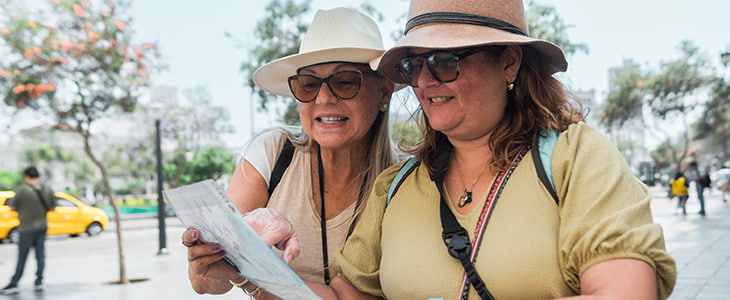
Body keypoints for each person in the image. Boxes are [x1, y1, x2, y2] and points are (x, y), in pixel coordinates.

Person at [304, 0, 677, 299]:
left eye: (445, 61)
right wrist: (256, 269)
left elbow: (626, 290)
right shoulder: (395, 186)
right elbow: (345, 294)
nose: (424, 80)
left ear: (509, 62)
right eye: (413, 64)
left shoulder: (575, 157)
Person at [181, 7, 399, 298]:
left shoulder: (404, 182)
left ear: (384, 92)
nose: (323, 98)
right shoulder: (273, 153)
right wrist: (207, 263)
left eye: (345, 81)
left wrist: (255, 274)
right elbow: (207, 282)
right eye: (309, 84)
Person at [1, 167, 55, 295]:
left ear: (26, 177)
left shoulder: (22, 190)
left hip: (26, 228)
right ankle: (39, 281)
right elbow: (52, 208)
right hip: (42, 226)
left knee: (22, 256)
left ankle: (14, 282)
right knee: (40, 255)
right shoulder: (47, 190)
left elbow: (12, 207)